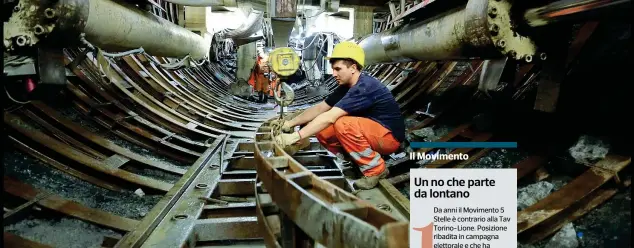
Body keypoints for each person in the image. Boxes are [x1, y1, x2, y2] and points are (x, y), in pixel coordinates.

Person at [274, 41, 406, 190]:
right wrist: (290, 123)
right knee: (322, 130)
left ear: (353, 68)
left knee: (342, 123)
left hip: (389, 138)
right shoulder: (346, 86)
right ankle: (357, 162)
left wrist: (296, 136)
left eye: (338, 69)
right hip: (371, 132)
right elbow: (320, 108)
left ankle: (376, 170)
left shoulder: (364, 87)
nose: (334, 74)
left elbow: (330, 116)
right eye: (333, 69)